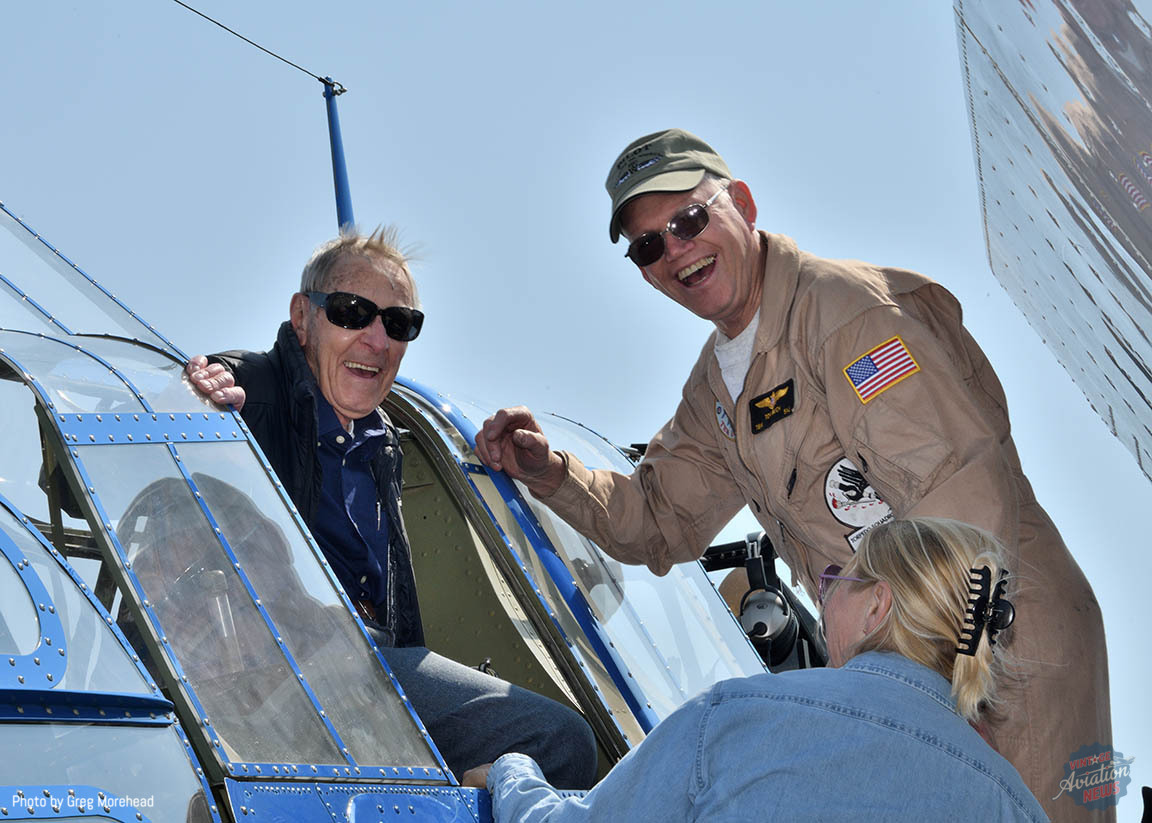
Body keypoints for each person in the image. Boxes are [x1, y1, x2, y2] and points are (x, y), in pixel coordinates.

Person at [475, 129, 1111, 819]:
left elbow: (961, 507)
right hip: (908, 681)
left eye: (689, 220)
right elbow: (658, 520)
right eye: (649, 245)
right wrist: (551, 471)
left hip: (1001, 662)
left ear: (743, 206)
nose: (676, 250)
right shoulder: (719, 386)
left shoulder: (846, 316)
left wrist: (952, 689)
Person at [186, 227, 595, 788]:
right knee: (557, 741)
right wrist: (204, 385)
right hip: (289, 675)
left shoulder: (382, 441)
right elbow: (194, 401)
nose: (377, 340)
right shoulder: (251, 394)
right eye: (352, 312)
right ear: (302, 318)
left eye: (399, 323)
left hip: (366, 668)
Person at [464, 518, 1047, 821]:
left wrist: (514, 773)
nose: (825, 599)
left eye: (838, 580)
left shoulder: (737, 716)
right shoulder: (1021, 810)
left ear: (877, 606)